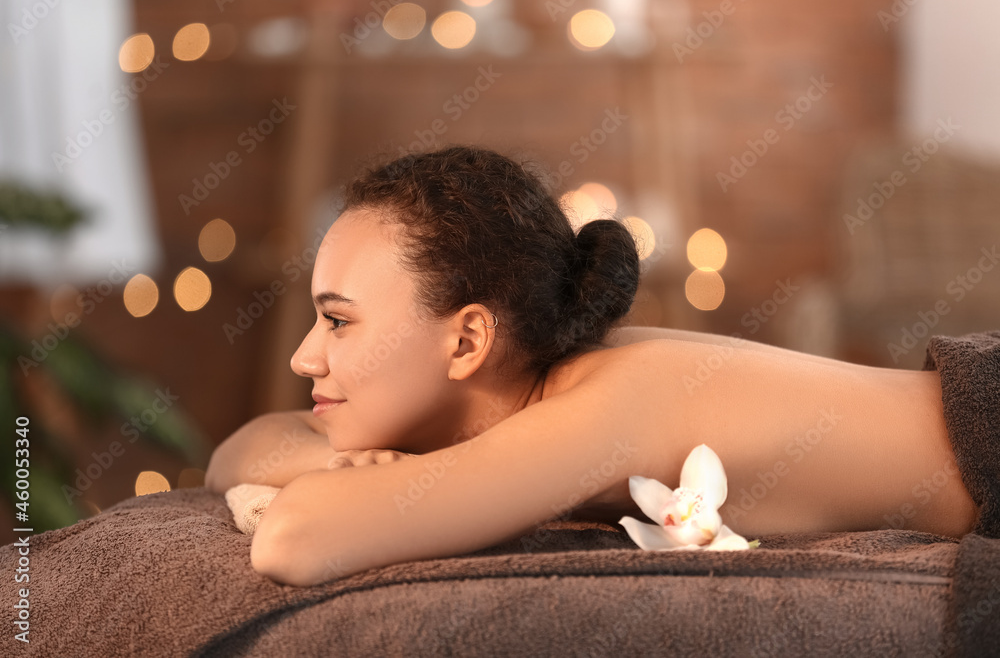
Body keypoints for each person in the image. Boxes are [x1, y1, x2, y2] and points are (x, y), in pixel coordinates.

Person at [204, 144, 978, 587]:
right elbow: (239, 450)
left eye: (338, 321)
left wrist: (354, 473)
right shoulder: (533, 389)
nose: (306, 355)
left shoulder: (610, 406)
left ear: (468, 341)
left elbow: (293, 540)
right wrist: (349, 455)